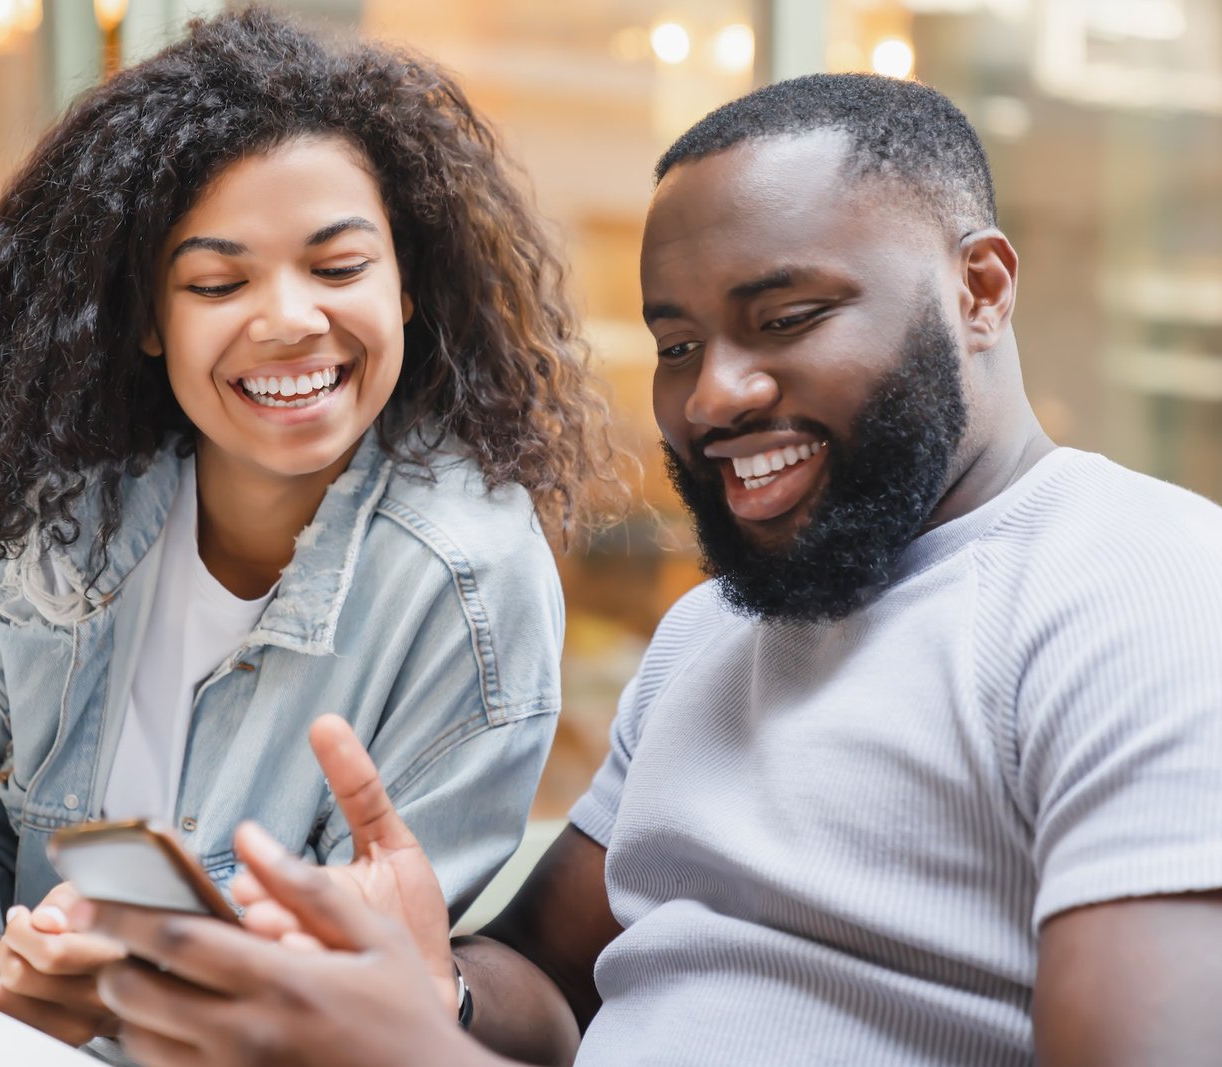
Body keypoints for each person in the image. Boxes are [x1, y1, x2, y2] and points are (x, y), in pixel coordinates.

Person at [74, 73, 1222, 1066]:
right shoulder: (717, 630)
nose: (712, 395)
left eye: (787, 315)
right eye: (677, 346)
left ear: (978, 289)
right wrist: (439, 984)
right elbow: (545, 981)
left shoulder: (1140, 589)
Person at [0, 7, 625, 1052]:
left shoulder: (465, 579)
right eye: (218, 282)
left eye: (340, 266)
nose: (291, 318)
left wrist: (134, 1004)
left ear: (409, 285)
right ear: (143, 316)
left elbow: (386, 1008)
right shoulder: (18, 522)